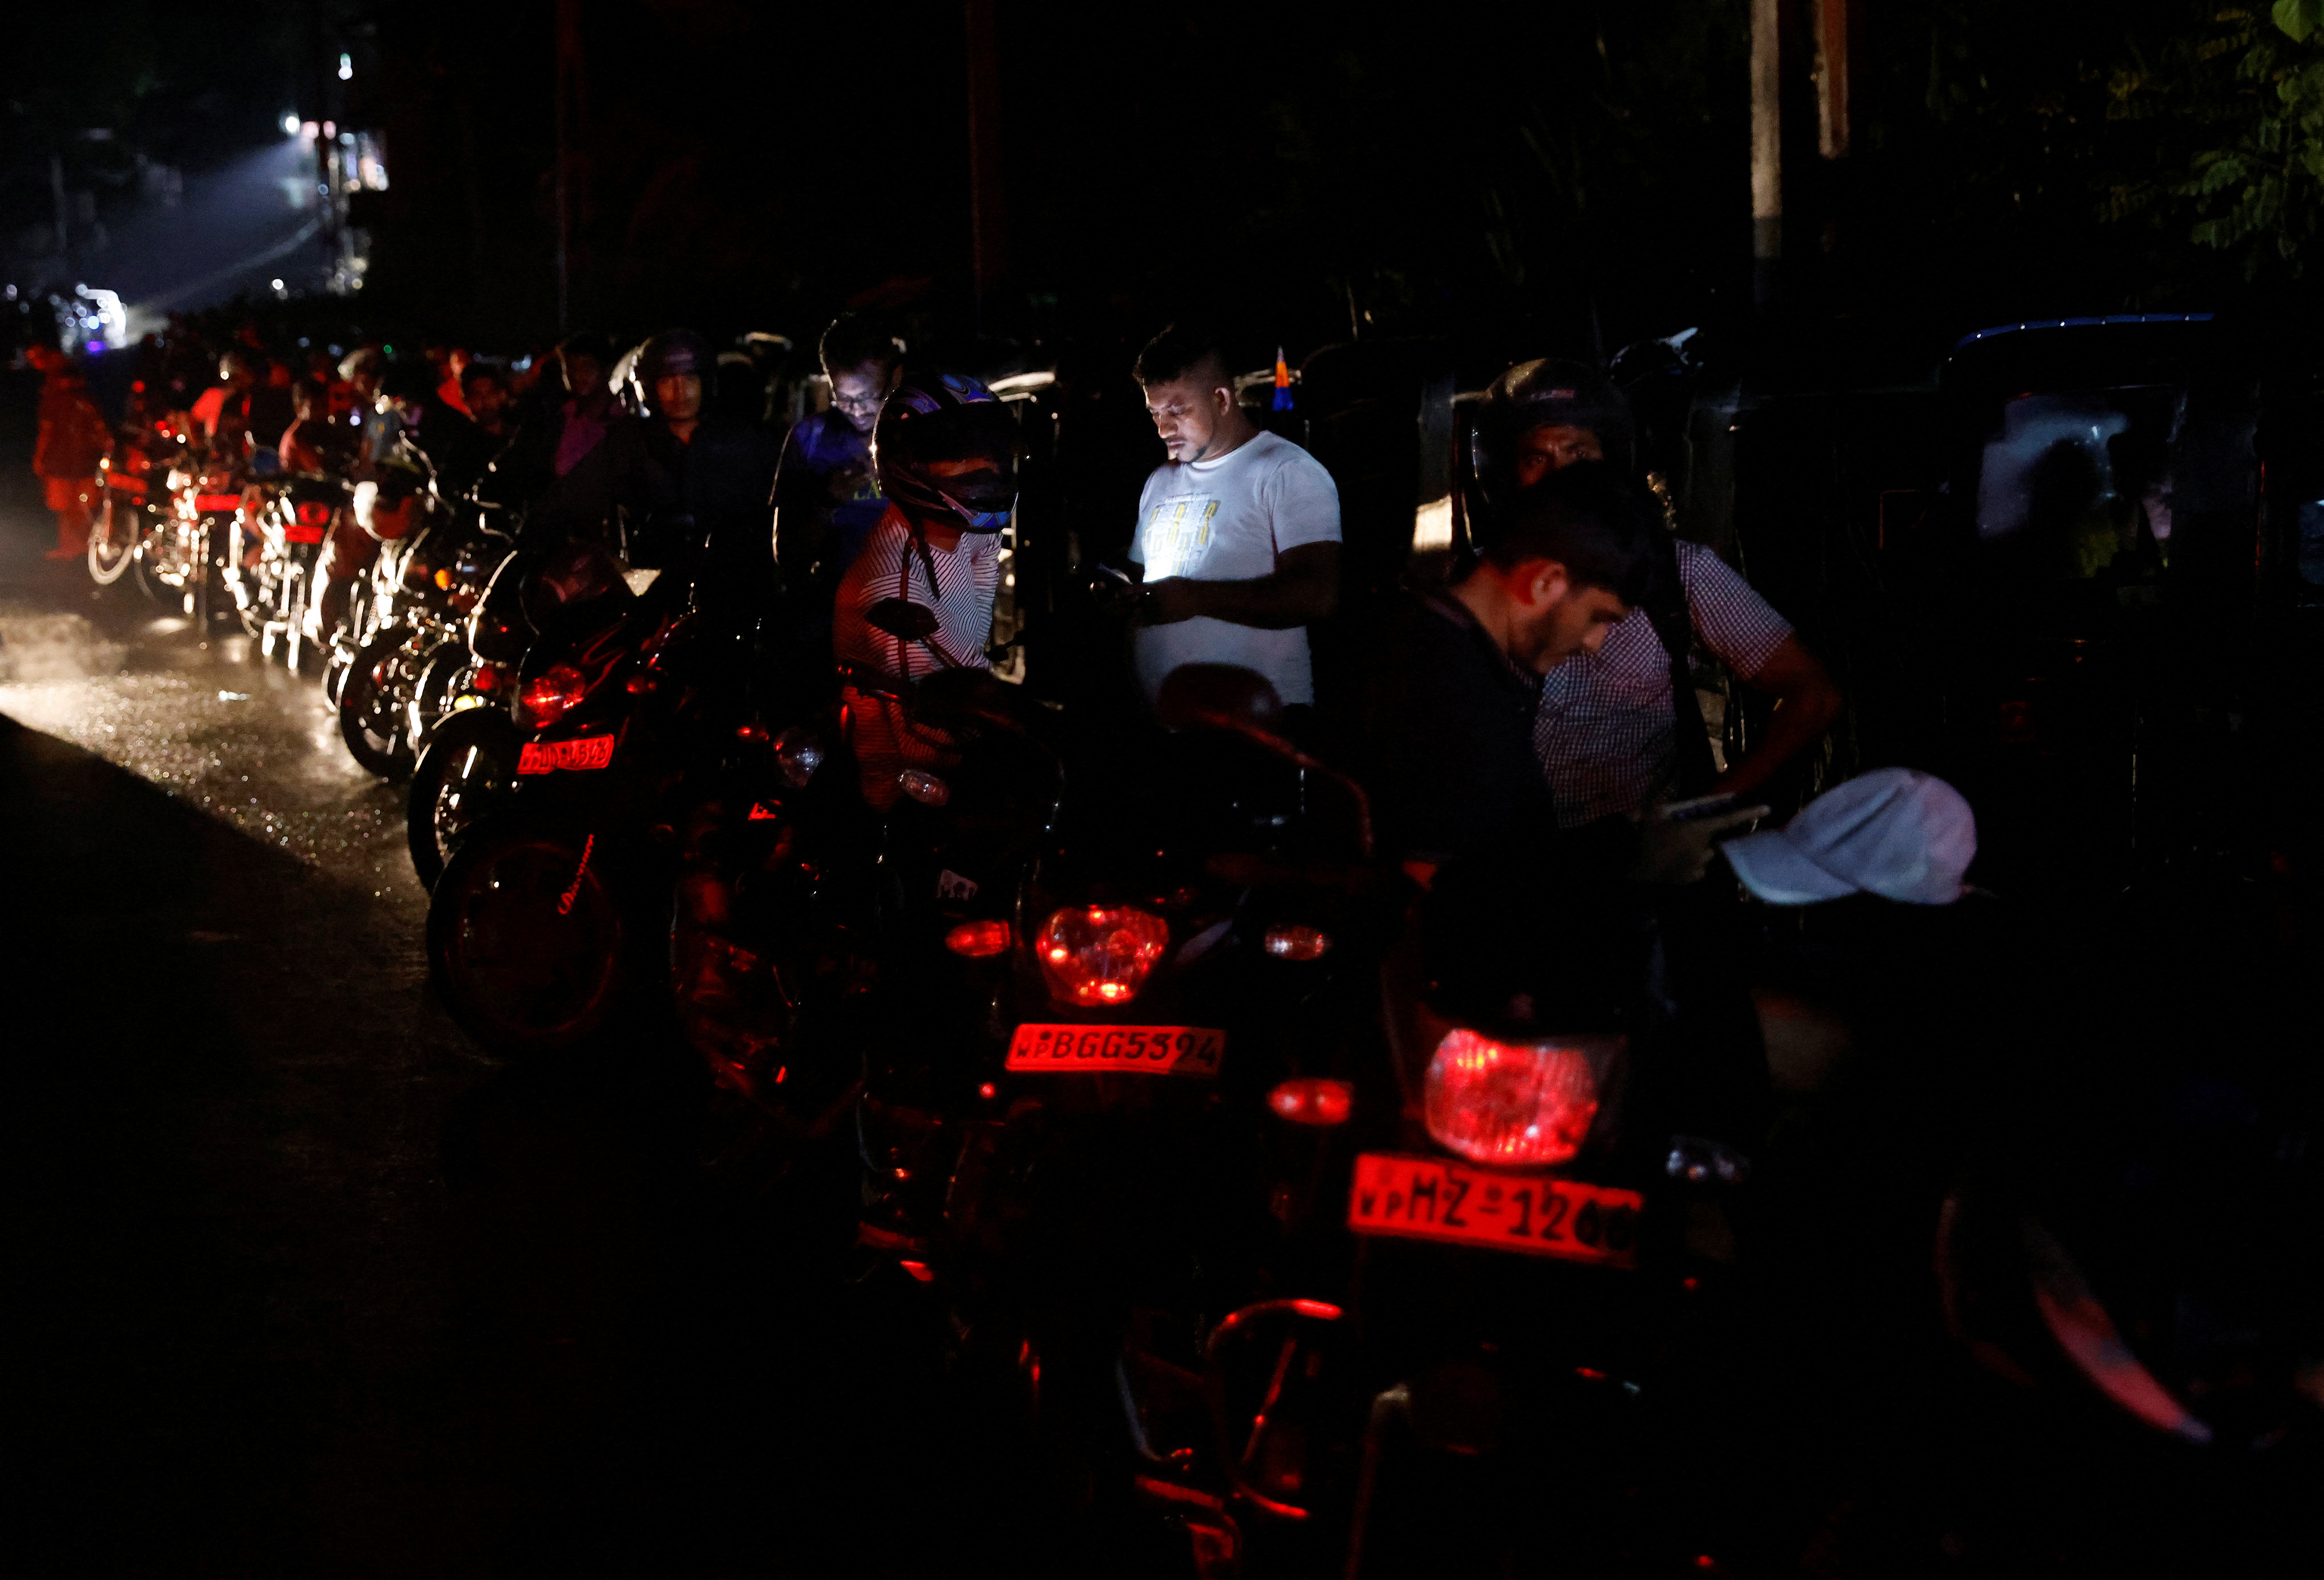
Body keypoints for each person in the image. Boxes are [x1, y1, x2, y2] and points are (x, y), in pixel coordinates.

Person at [1471, 358, 1842, 825]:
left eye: (1578, 453)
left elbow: (1813, 694)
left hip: (1635, 847)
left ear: (1611, 459)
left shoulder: (1679, 571)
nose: (1562, 476)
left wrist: (1701, 814)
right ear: (1508, 476)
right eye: (1536, 458)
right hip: (1501, 850)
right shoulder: (1476, 581)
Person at [1127, 324, 1341, 728]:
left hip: (1258, 726)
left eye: (1177, 410)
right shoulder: (1159, 482)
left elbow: (1317, 594)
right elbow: (1146, 583)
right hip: (1168, 724)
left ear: (1222, 399)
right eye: (1155, 413)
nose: (1163, 429)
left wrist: (1194, 598)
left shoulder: (1286, 471)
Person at [831, 372, 1018, 809]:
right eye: (960, 457)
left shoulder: (961, 535)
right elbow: (946, 729)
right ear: (909, 466)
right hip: (905, 802)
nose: (987, 468)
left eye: (990, 453)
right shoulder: (895, 593)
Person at [773, 314, 903, 598]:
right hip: (835, 597)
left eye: (868, 397)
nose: (857, 410)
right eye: (842, 398)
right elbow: (786, 554)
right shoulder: (809, 439)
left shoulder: (923, 433)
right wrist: (828, 499)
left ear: (896, 376)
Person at [30, 347, 112, 559]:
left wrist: (39, 457)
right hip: (85, 461)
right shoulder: (89, 400)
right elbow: (102, 431)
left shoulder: (54, 401)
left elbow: (46, 431)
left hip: (63, 462)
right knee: (81, 506)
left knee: (67, 507)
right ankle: (82, 546)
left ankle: (72, 546)